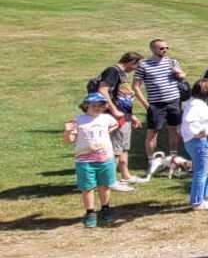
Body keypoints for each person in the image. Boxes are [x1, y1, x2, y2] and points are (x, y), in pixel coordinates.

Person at [64, 93, 120, 228]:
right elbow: (69, 140)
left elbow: (116, 124)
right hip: (84, 160)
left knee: (105, 185)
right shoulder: (78, 120)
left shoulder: (107, 118)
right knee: (87, 187)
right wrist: (67, 132)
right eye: (94, 105)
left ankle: (105, 208)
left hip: (105, 158)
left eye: (101, 105)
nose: (97, 108)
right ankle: (90, 212)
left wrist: (107, 132)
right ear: (86, 105)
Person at [91, 51, 143, 188]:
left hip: (123, 114)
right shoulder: (112, 71)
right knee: (115, 148)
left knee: (124, 146)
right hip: (114, 115)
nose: (136, 69)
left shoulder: (121, 73)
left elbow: (122, 96)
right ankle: (110, 180)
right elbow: (103, 90)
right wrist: (113, 110)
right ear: (132, 62)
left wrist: (130, 115)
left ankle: (126, 175)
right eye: (136, 66)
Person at [133, 38, 187, 159]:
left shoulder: (172, 62)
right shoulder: (144, 65)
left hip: (174, 101)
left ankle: (174, 158)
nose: (165, 50)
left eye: (167, 48)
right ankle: (151, 161)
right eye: (161, 48)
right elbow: (136, 87)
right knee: (153, 132)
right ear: (153, 49)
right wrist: (146, 105)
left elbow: (182, 76)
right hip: (156, 104)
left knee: (174, 130)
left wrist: (181, 74)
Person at [180, 79, 208, 211]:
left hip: (207, 141)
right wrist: (199, 133)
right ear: (207, 92)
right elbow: (190, 121)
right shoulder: (195, 106)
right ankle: (197, 201)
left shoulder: (199, 103)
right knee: (202, 172)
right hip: (200, 142)